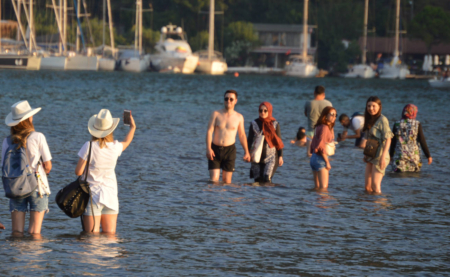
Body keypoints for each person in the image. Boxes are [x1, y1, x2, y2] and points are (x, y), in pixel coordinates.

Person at [75, 109, 136, 233]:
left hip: (93, 197)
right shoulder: (115, 147)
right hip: (111, 196)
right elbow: (127, 141)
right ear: (111, 129)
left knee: (91, 239)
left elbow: (78, 172)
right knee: (110, 238)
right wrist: (132, 128)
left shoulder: (89, 145)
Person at [1, 100, 52, 235]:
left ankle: (17, 255)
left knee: (17, 232)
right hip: (37, 186)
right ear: (29, 118)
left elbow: (3, 166)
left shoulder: (7, 141)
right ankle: (33, 256)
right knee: (35, 233)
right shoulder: (38, 137)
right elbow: (48, 165)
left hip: (15, 185)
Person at [206, 90, 251, 183]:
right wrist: (208, 148)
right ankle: (211, 198)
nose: (228, 101)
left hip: (229, 151)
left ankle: (224, 198)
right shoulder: (216, 114)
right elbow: (209, 131)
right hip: (215, 150)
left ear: (235, 101)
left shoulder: (239, 117)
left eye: (231, 99)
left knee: (227, 182)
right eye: (226, 99)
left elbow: (242, 135)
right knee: (214, 181)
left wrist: (246, 152)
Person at [362, 96, 393, 194]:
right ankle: (370, 208)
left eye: (374, 106)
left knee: (375, 185)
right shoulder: (369, 119)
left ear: (379, 107)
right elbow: (369, 139)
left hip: (380, 155)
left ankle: (380, 206)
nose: (371, 108)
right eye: (369, 106)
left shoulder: (382, 119)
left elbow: (388, 139)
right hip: (371, 154)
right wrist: (366, 154)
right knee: (367, 187)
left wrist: (383, 157)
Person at [247, 102, 284, 183]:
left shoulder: (275, 124)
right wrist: (247, 153)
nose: (262, 113)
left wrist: (280, 156)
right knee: (257, 182)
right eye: (261, 110)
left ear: (269, 111)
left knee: (267, 181)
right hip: (256, 157)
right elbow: (249, 140)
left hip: (271, 157)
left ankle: (268, 196)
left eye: (265, 111)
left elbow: (278, 142)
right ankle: (257, 196)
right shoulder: (254, 123)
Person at [390, 104, 432, 172]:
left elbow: (393, 142)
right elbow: (422, 140)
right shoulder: (417, 124)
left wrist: (390, 155)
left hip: (400, 156)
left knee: (398, 175)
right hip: (414, 156)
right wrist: (428, 156)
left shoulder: (397, 124)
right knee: (413, 176)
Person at [309, 106, 336, 191]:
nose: (333, 117)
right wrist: (327, 162)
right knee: (323, 190)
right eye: (331, 114)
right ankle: (322, 205)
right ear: (325, 115)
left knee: (317, 189)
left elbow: (313, 143)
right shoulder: (324, 128)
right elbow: (321, 146)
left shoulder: (319, 126)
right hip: (321, 159)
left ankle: (314, 204)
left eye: (335, 115)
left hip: (313, 157)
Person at [304, 86, 333, 157]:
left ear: (314, 93)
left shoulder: (308, 103)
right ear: (323, 94)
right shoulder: (328, 104)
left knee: (309, 155)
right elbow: (331, 119)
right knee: (325, 154)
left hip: (311, 131)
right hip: (324, 131)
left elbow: (306, 114)